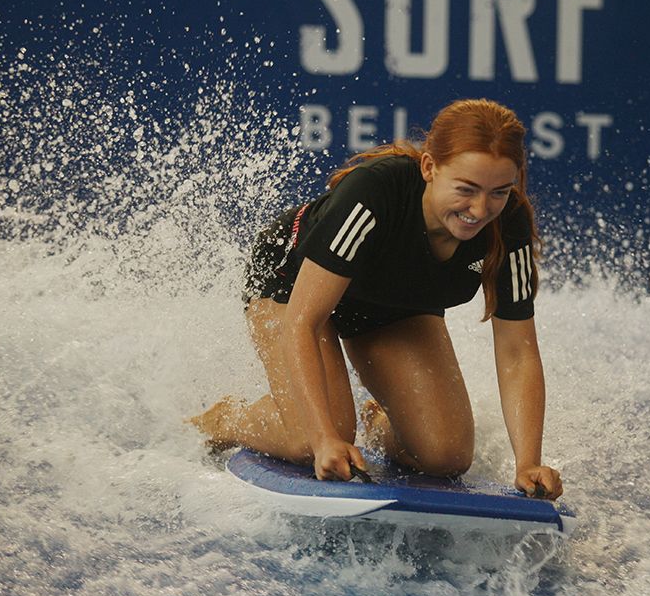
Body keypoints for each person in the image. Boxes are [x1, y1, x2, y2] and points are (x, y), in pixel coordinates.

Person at [190, 99, 563, 500]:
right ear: (429, 168)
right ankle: (226, 419)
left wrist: (528, 461)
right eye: (466, 189)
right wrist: (322, 439)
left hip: (391, 303)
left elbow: (517, 352)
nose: (479, 209)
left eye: (499, 192)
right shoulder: (375, 190)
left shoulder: (509, 225)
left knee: (446, 456)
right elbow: (303, 322)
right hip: (292, 285)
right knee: (310, 438)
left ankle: (380, 419)